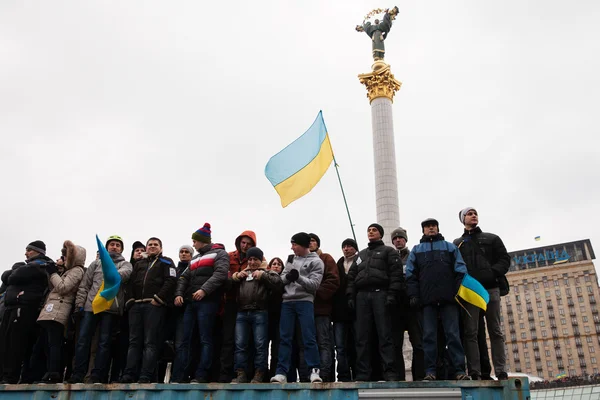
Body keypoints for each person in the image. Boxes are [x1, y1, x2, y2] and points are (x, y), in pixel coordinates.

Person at [405, 218, 469, 381]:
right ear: (423, 230)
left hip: (449, 300)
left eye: (433, 226)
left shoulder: (450, 247)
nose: (431, 228)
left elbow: (460, 271)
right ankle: (431, 371)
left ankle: (460, 370)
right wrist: (414, 295)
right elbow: (410, 275)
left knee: (453, 335)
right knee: (429, 337)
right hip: (427, 303)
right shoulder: (416, 250)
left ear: (438, 228)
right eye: (427, 226)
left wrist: (457, 292)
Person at [454, 207, 510, 380]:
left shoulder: (492, 238)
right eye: (469, 214)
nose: (473, 216)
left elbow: (504, 259)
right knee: (470, 332)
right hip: (471, 292)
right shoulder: (457, 243)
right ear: (463, 219)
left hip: (491, 288)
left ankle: (501, 370)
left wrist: (492, 273)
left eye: (475, 213)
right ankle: (475, 372)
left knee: (495, 330)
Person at [69, 235, 132, 384]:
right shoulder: (95, 263)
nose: (114, 247)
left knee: (104, 343)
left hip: (111, 308)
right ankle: (77, 374)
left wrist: (109, 268)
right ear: (106, 247)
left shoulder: (126, 264)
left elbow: (120, 276)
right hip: (91, 308)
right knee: (83, 341)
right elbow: (85, 285)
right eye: (111, 244)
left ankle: (98, 375)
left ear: (122, 249)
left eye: (118, 245)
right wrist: (79, 305)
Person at [172, 223, 229, 383]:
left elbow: (220, 274)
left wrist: (204, 290)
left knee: (205, 339)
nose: (193, 244)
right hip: (191, 303)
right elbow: (184, 277)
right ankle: (181, 375)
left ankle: (202, 374)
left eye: (194, 241)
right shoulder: (195, 259)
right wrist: (178, 294)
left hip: (208, 302)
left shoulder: (219, 254)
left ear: (202, 240)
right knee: (186, 340)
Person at [346, 224, 403, 381]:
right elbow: (351, 277)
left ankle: (390, 372)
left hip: (381, 295)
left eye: (374, 230)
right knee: (362, 337)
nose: (370, 232)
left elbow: (396, 275)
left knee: (385, 335)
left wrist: (392, 294)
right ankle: (363, 374)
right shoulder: (360, 255)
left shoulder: (389, 251)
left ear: (380, 234)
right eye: (368, 230)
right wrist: (350, 296)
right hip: (362, 297)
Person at [270, 232, 324, 384]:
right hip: (287, 302)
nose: (292, 247)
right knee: (285, 338)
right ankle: (281, 373)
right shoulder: (290, 258)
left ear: (303, 245)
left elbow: (314, 285)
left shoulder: (317, 262)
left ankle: (314, 371)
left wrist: (298, 277)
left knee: (309, 337)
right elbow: (282, 279)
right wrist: (288, 277)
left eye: (294, 244)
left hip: (305, 301)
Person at [121, 237, 177, 383]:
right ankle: (129, 374)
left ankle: (146, 375)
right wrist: (130, 301)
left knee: (150, 342)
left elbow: (171, 281)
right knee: (134, 342)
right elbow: (130, 283)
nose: (152, 246)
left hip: (154, 306)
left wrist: (158, 299)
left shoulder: (167, 262)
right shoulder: (139, 263)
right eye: (150, 244)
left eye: (155, 244)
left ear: (161, 248)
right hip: (136, 306)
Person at [0, 241, 54, 384]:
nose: (26, 253)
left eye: (29, 250)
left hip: (24, 308)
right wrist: (14, 271)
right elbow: (6, 277)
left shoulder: (40, 265)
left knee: (15, 344)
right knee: (5, 342)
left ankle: (10, 377)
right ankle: (6, 375)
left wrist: (14, 272)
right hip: (12, 308)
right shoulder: (28, 266)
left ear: (38, 251)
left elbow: (12, 277)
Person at [230, 247, 283, 383]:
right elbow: (226, 285)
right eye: (250, 259)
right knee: (240, 344)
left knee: (260, 344)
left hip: (260, 312)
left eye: (255, 259)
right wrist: (235, 277)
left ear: (261, 260)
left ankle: (259, 374)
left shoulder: (267, 272)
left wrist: (263, 276)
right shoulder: (242, 273)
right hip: (241, 312)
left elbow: (278, 283)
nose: (252, 262)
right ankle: (240, 374)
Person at [36, 241, 86, 383]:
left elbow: (63, 288)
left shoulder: (77, 270)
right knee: (46, 344)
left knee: (54, 343)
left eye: (66, 256)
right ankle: (48, 371)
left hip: (60, 311)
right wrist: (53, 272)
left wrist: (53, 273)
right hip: (51, 310)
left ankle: (54, 372)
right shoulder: (67, 271)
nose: (63, 259)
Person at [220, 230, 258, 382]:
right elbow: (223, 278)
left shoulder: (258, 260)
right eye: (243, 242)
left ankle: (245, 374)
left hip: (247, 303)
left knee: (246, 341)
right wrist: (235, 277)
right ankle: (225, 374)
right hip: (229, 302)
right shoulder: (228, 257)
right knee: (228, 339)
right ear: (238, 242)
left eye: (249, 244)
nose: (245, 246)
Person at [390, 227, 425, 381]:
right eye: (395, 238)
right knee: (395, 345)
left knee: (418, 343)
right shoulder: (389, 257)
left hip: (413, 305)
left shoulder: (414, 256)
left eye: (401, 238)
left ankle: (420, 375)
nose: (398, 240)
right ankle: (398, 377)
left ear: (405, 239)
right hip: (396, 307)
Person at [308, 233, 339, 382]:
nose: (310, 243)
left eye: (313, 241)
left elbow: (333, 280)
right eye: (307, 241)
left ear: (317, 243)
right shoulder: (300, 260)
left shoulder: (326, 258)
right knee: (307, 343)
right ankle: (308, 374)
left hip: (322, 310)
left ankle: (325, 375)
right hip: (304, 310)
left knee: (324, 343)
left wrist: (315, 291)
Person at [332, 238, 359, 382]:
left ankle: (358, 373)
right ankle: (342, 375)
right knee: (340, 347)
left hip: (357, 312)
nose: (346, 249)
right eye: (344, 247)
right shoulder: (337, 264)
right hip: (339, 313)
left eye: (349, 246)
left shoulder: (361, 262)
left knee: (357, 344)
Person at [266, 257, 284, 381]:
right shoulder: (265, 278)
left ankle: (274, 372)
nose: (276, 266)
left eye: (278, 264)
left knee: (277, 348)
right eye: (274, 264)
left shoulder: (284, 280)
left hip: (281, 317)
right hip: (266, 316)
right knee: (262, 346)